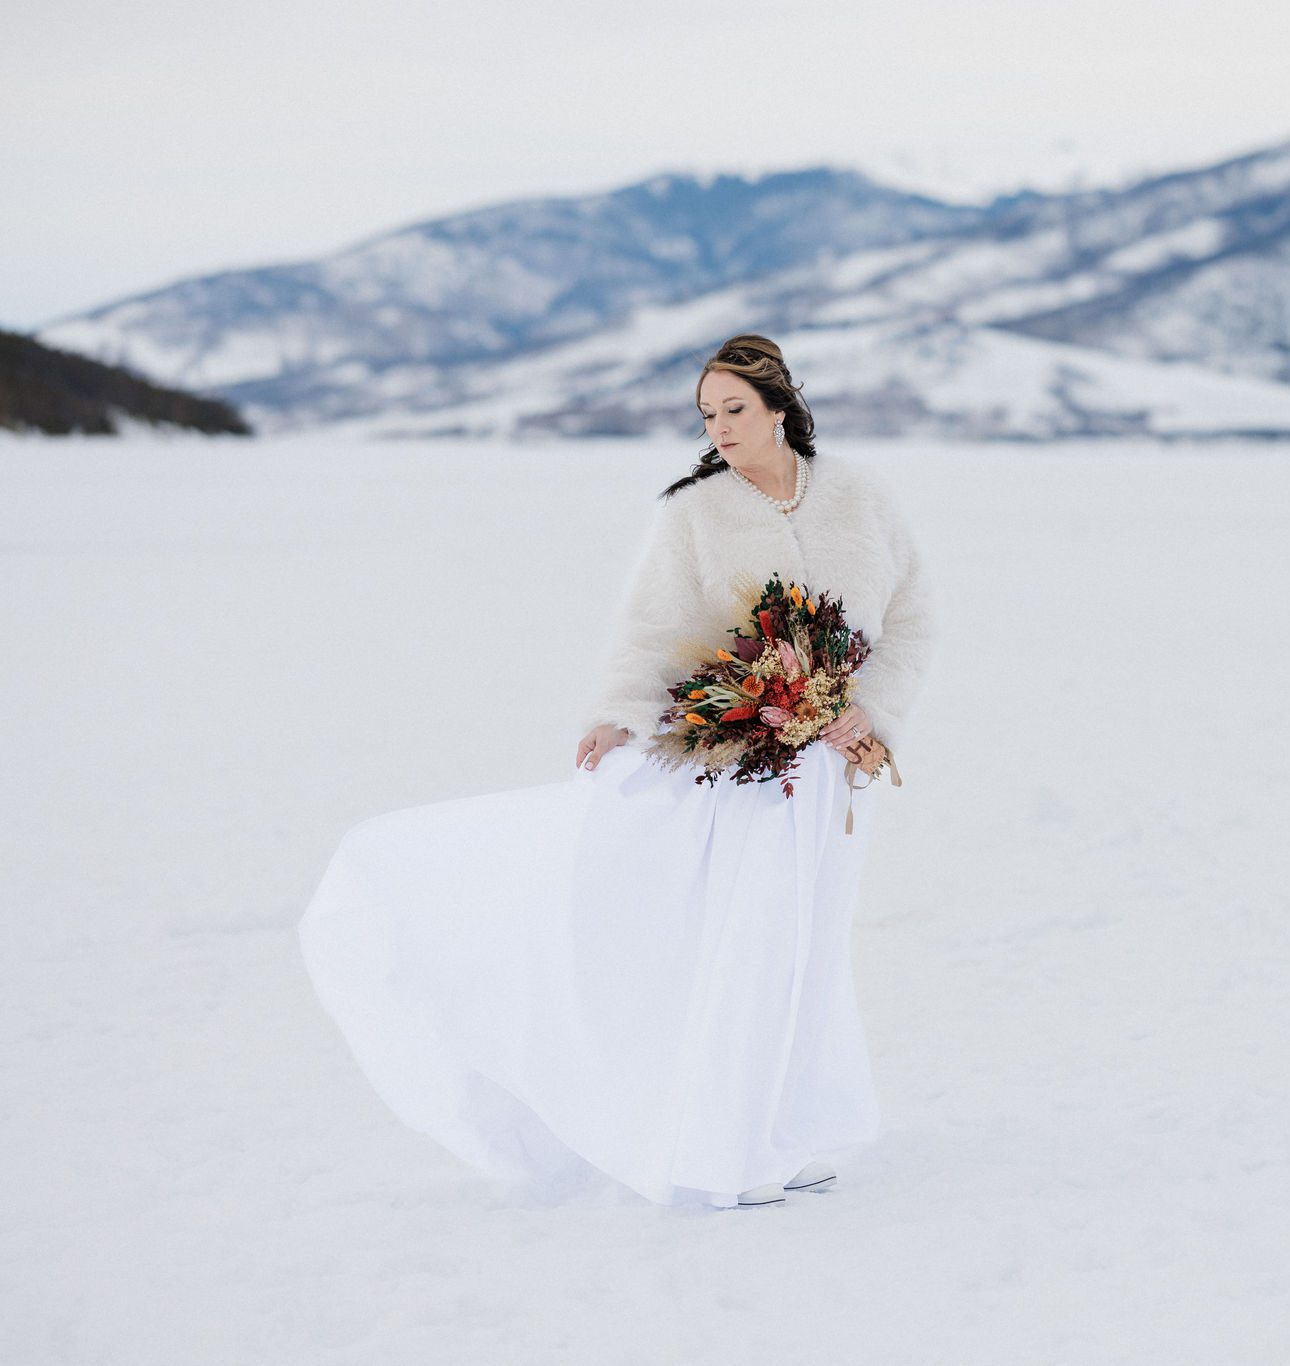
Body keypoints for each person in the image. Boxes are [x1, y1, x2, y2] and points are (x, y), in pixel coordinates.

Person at [297, 334, 938, 1210]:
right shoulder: (695, 513)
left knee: (805, 953)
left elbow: (910, 617)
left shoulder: (862, 499)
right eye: (707, 415)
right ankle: (725, 1149)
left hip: (828, 768)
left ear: (780, 406)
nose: (720, 428)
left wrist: (872, 710)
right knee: (742, 953)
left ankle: (784, 1134)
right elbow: (650, 628)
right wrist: (618, 716)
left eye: (735, 410)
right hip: (738, 767)